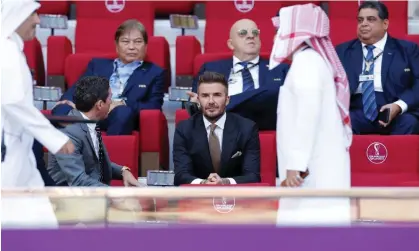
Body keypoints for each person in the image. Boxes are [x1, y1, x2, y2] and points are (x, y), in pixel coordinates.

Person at [270, 4, 352, 225]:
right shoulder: (310, 61)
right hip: (312, 167)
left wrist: (295, 164)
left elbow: (308, 114)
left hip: (310, 171)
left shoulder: (307, 63)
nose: (277, 36)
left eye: (281, 30)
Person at [1, 0, 74, 228]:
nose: (38, 20)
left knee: (41, 218)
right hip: (7, 154)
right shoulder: (6, 52)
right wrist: (54, 139)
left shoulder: (12, 49)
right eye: (33, 14)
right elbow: (13, 102)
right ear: (17, 16)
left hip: (19, 150)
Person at [52, 19, 165, 135]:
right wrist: (67, 101)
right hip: (90, 113)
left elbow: (154, 105)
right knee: (61, 110)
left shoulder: (154, 72)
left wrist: (122, 103)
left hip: (116, 116)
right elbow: (77, 89)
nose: (131, 47)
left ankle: (105, 149)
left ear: (145, 46)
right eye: (125, 42)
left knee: (123, 113)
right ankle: (81, 141)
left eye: (138, 42)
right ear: (116, 45)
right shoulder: (97, 65)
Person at [187, 19, 289, 130]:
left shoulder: (280, 69)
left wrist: (219, 104)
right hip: (220, 129)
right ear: (231, 44)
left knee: (274, 91)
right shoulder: (210, 68)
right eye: (243, 33)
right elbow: (196, 105)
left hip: (262, 124)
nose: (251, 36)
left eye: (255, 33)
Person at [336, 1, 419, 135]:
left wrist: (399, 106)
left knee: (410, 123)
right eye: (360, 20)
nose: (364, 24)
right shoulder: (342, 52)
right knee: (338, 123)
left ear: (385, 24)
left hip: (395, 109)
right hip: (356, 111)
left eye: (371, 19)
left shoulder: (407, 50)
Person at [48, 76, 140, 187]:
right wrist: (117, 194)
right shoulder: (68, 133)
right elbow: (79, 181)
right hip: (68, 198)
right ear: (100, 105)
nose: (111, 102)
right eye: (110, 98)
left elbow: (95, 164)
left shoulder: (88, 123)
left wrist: (123, 171)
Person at [173, 72, 261, 186]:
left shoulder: (247, 128)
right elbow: (181, 175)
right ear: (198, 100)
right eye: (205, 96)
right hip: (198, 198)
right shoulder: (184, 129)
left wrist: (224, 182)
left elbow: (253, 176)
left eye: (217, 95)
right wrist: (204, 183)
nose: (211, 101)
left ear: (227, 99)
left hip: (236, 197)